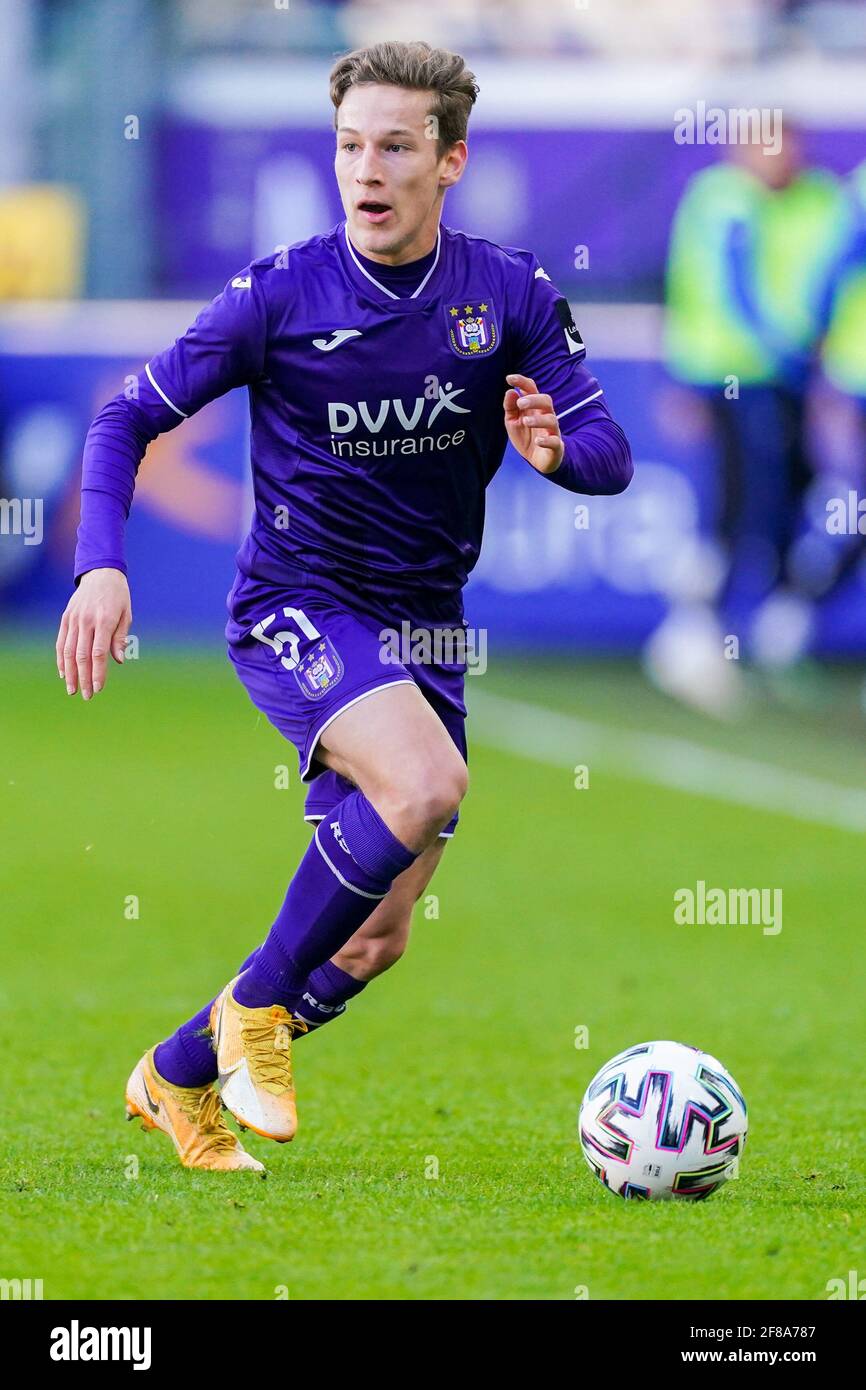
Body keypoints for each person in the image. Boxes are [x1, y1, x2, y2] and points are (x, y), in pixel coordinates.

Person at [56, 40, 632, 1173]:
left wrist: (559, 455)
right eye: (349, 145)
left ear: (449, 160)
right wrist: (99, 562)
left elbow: (608, 452)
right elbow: (124, 416)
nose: (366, 169)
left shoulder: (505, 292)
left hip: (426, 626)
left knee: (375, 939)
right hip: (298, 602)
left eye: (396, 147)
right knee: (425, 784)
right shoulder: (279, 294)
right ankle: (253, 1014)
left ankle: (173, 1074)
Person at [654, 125, 849, 710]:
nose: (781, 156)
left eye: (789, 144)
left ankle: (766, 629)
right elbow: (727, 292)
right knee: (739, 505)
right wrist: (796, 353)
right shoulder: (724, 199)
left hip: (783, 378)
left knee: (794, 497)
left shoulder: (815, 198)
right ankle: (693, 635)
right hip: (729, 375)